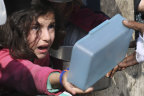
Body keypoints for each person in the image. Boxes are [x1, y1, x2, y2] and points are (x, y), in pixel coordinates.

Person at [0, 0, 93, 95]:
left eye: (51, 26)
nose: (47, 37)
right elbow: (31, 75)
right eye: (35, 27)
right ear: (17, 29)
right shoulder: (4, 61)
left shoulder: (39, 52)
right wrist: (61, 77)